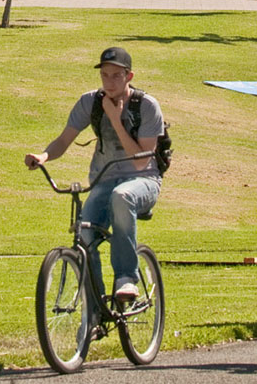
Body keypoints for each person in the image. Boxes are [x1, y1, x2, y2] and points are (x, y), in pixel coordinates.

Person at [26, 46, 166, 305]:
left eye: (116, 76)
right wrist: (43, 157)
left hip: (143, 180)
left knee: (121, 196)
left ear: (129, 76)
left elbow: (141, 161)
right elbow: (64, 140)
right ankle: (96, 309)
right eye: (104, 75)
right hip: (104, 180)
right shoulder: (89, 102)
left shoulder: (146, 106)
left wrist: (115, 119)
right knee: (85, 233)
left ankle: (126, 278)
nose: (109, 82)